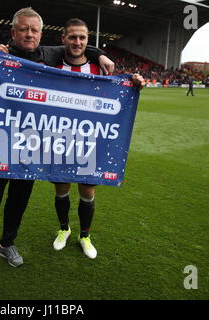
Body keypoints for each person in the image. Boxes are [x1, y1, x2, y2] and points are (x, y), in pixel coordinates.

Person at [0, 7, 115, 281]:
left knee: (18, 201)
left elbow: (79, 47)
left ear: (41, 34)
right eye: (23, 29)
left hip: (30, 146)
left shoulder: (47, 54)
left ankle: (7, 245)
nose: (29, 34)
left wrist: (100, 53)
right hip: (0, 143)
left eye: (34, 29)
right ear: (13, 32)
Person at [51, 18, 145, 259]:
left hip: (89, 141)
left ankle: (84, 236)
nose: (77, 41)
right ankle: (64, 229)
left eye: (82, 37)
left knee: (88, 190)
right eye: (72, 36)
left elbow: (117, 94)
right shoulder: (50, 66)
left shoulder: (100, 69)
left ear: (88, 41)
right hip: (59, 138)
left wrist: (134, 83)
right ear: (63, 39)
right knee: (61, 188)